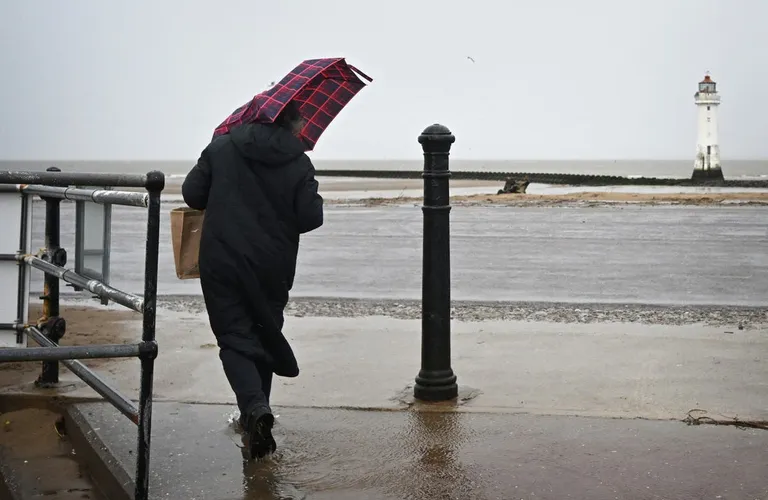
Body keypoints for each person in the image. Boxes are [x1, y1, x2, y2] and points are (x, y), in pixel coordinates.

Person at [181, 101, 323, 459]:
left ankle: (255, 411)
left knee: (233, 336)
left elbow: (192, 194)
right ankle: (258, 413)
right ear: (294, 124)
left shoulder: (222, 146)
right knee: (265, 332)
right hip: (272, 266)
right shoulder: (299, 161)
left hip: (222, 259)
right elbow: (310, 218)